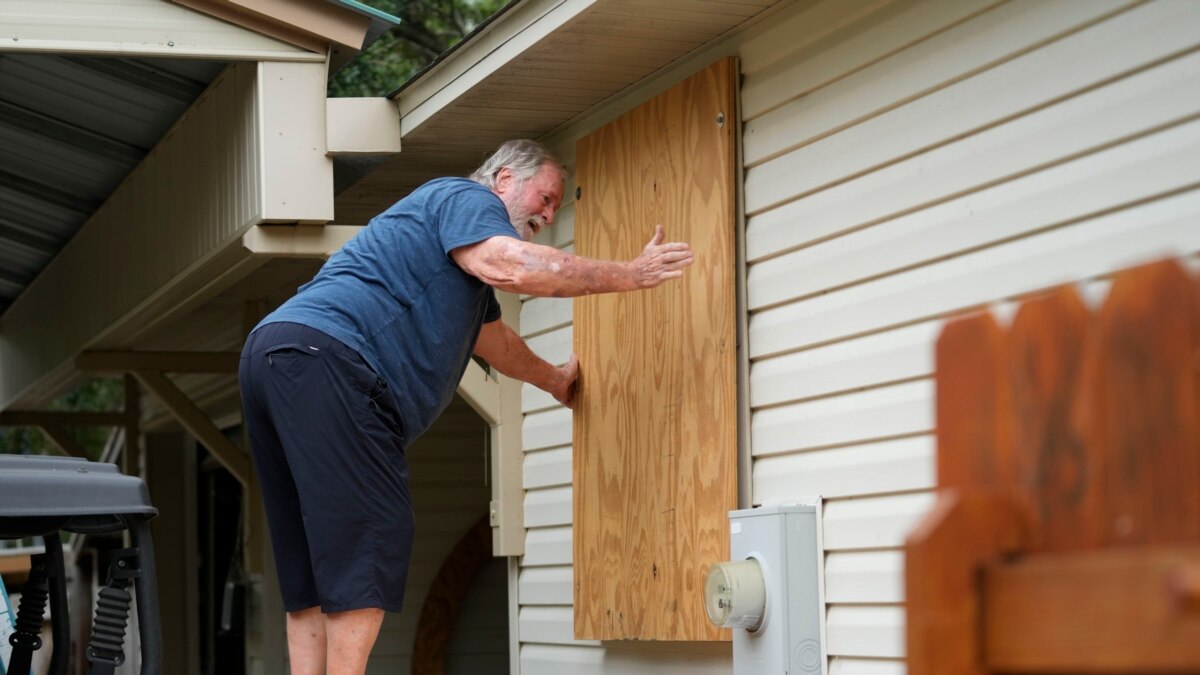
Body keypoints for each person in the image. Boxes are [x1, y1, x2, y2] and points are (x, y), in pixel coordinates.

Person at [238, 139, 694, 674]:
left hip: (274, 356)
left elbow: (493, 342)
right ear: (504, 180)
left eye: (556, 208)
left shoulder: (459, 269)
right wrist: (630, 274)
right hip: (331, 359)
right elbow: (515, 266)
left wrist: (555, 382)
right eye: (546, 198)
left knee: (313, 563)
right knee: (373, 533)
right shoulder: (465, 200)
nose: (549, 215)